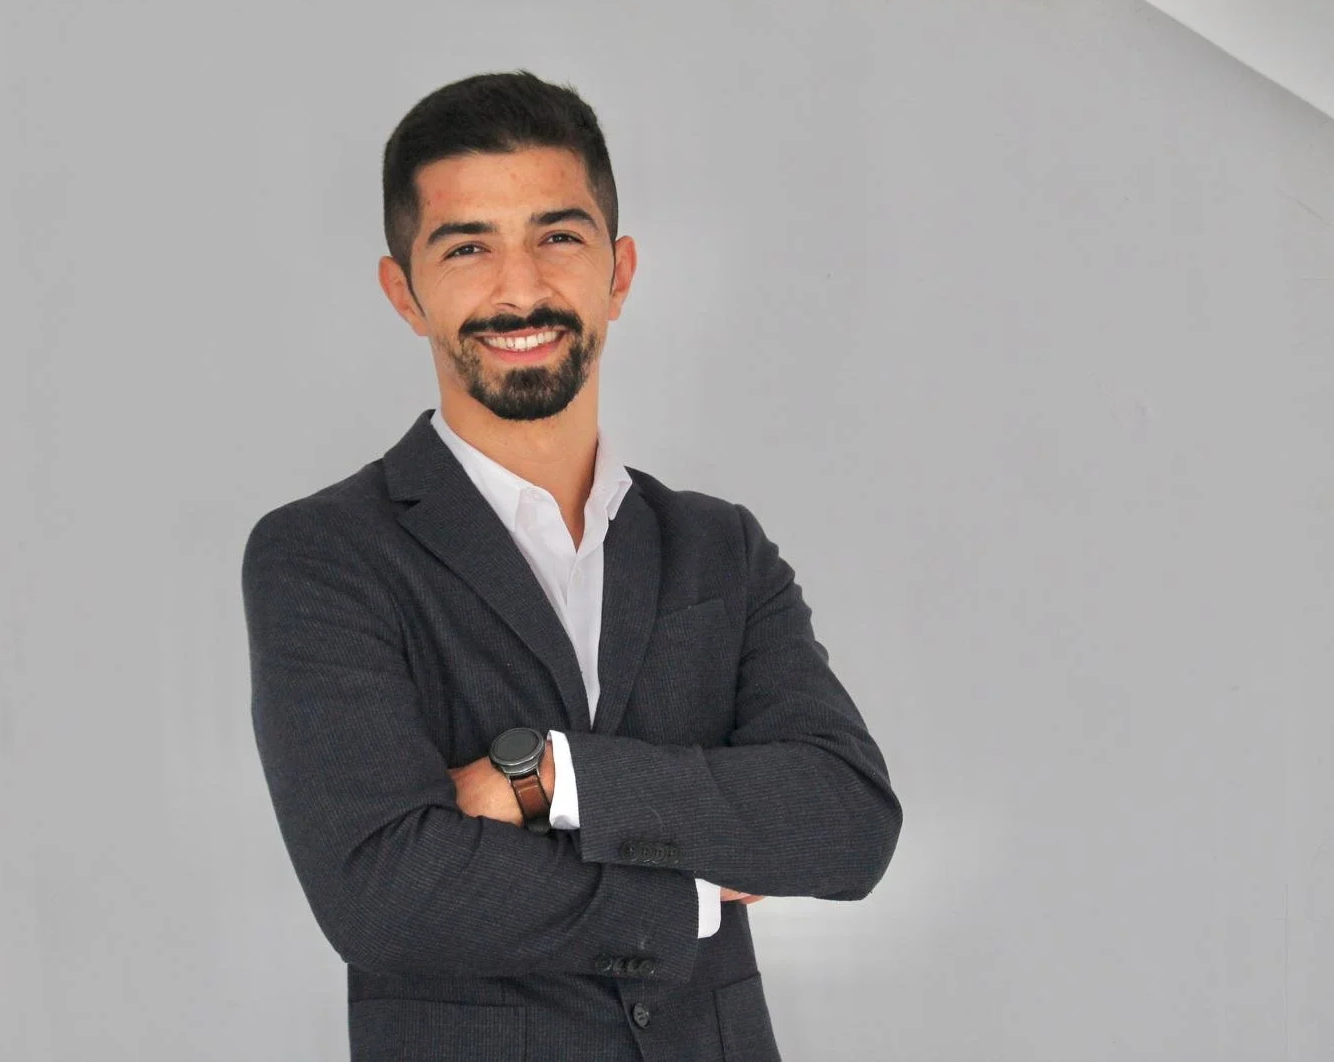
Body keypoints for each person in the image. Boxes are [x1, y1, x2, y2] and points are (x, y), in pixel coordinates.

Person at [242, 70, 901, 1062]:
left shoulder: (720, 550)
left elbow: (844, 821)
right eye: (467, 246)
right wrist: (689, 891)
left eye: (558, 236)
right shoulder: (325, 556)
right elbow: (386, 895)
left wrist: (551, 778)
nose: (519, 287)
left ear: (618, 273)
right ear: (404, 292)